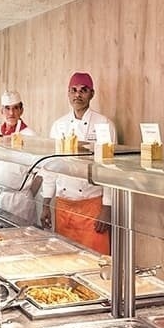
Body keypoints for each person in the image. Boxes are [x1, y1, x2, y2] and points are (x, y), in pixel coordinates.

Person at [42, 72, 116, 253]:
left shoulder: (104, 124)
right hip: (63, 205)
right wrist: (45, 203)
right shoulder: (58, 125)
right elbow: (50, 167)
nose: (78, 95)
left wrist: (107, 207)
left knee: (95, 260)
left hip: (92, 206)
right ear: (68, 93)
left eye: (83, 90)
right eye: (74, 90)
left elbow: (110, 168)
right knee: (65, 258)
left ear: (92, 94)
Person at [0, 90, 41, 225]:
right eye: (7, 108)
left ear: (21, 110)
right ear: (2, 110)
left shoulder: (30, 135)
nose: (11, 113)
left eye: (15, 108)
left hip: (20, 203)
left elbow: (41, 173)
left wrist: (25, 195)